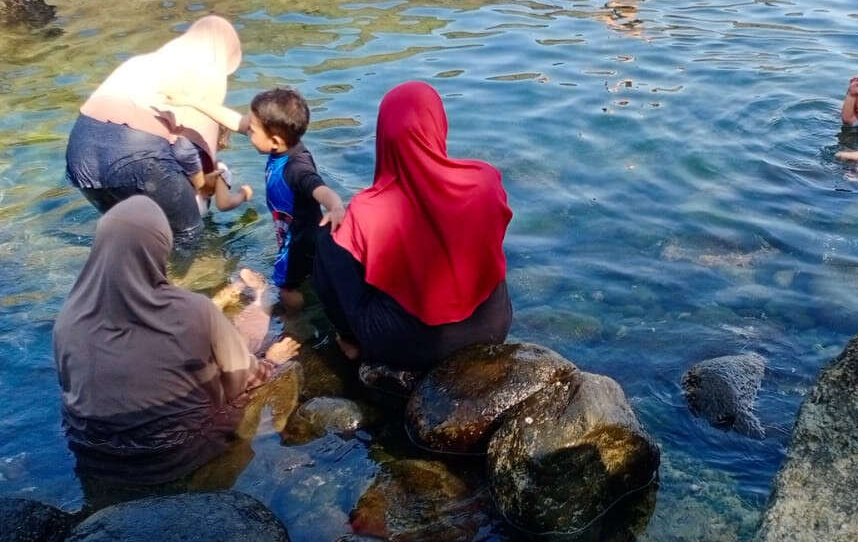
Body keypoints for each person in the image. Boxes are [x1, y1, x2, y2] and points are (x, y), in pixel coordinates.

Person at [52, 196, 299, 486]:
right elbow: (240, 382)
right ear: (160, 249)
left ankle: (241, 300)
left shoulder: (67, 319)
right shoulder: (193, 310)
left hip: (94, 456)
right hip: (176, 455)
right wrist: (273, 360)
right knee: (264, 356)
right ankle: (261, 298)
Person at [312, 81, 513, 375]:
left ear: (383, 138)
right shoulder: (485, 182)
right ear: (438, 125)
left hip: (413, 346)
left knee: (329, 236)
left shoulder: (366, 212)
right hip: (492, 325)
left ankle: (351, 341)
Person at [65, 16, 247, 245]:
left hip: (81, 156)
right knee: (188, 236)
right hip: (134, 154)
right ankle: (201, 281)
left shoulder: (143, 63)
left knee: (130, 239)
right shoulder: (209, 71)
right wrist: (205, 183)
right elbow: (188, 149)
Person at [245, 87, 347, 312]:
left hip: (299, 241)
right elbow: (239, 123)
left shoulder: (296, 167)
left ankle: (295, 323)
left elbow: (317, 187)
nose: (246, 131)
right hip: (299, 234)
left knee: (286, 287)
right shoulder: (284, 146)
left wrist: (335, 205)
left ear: (274, 140)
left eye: (251, 130)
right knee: (310, 273)